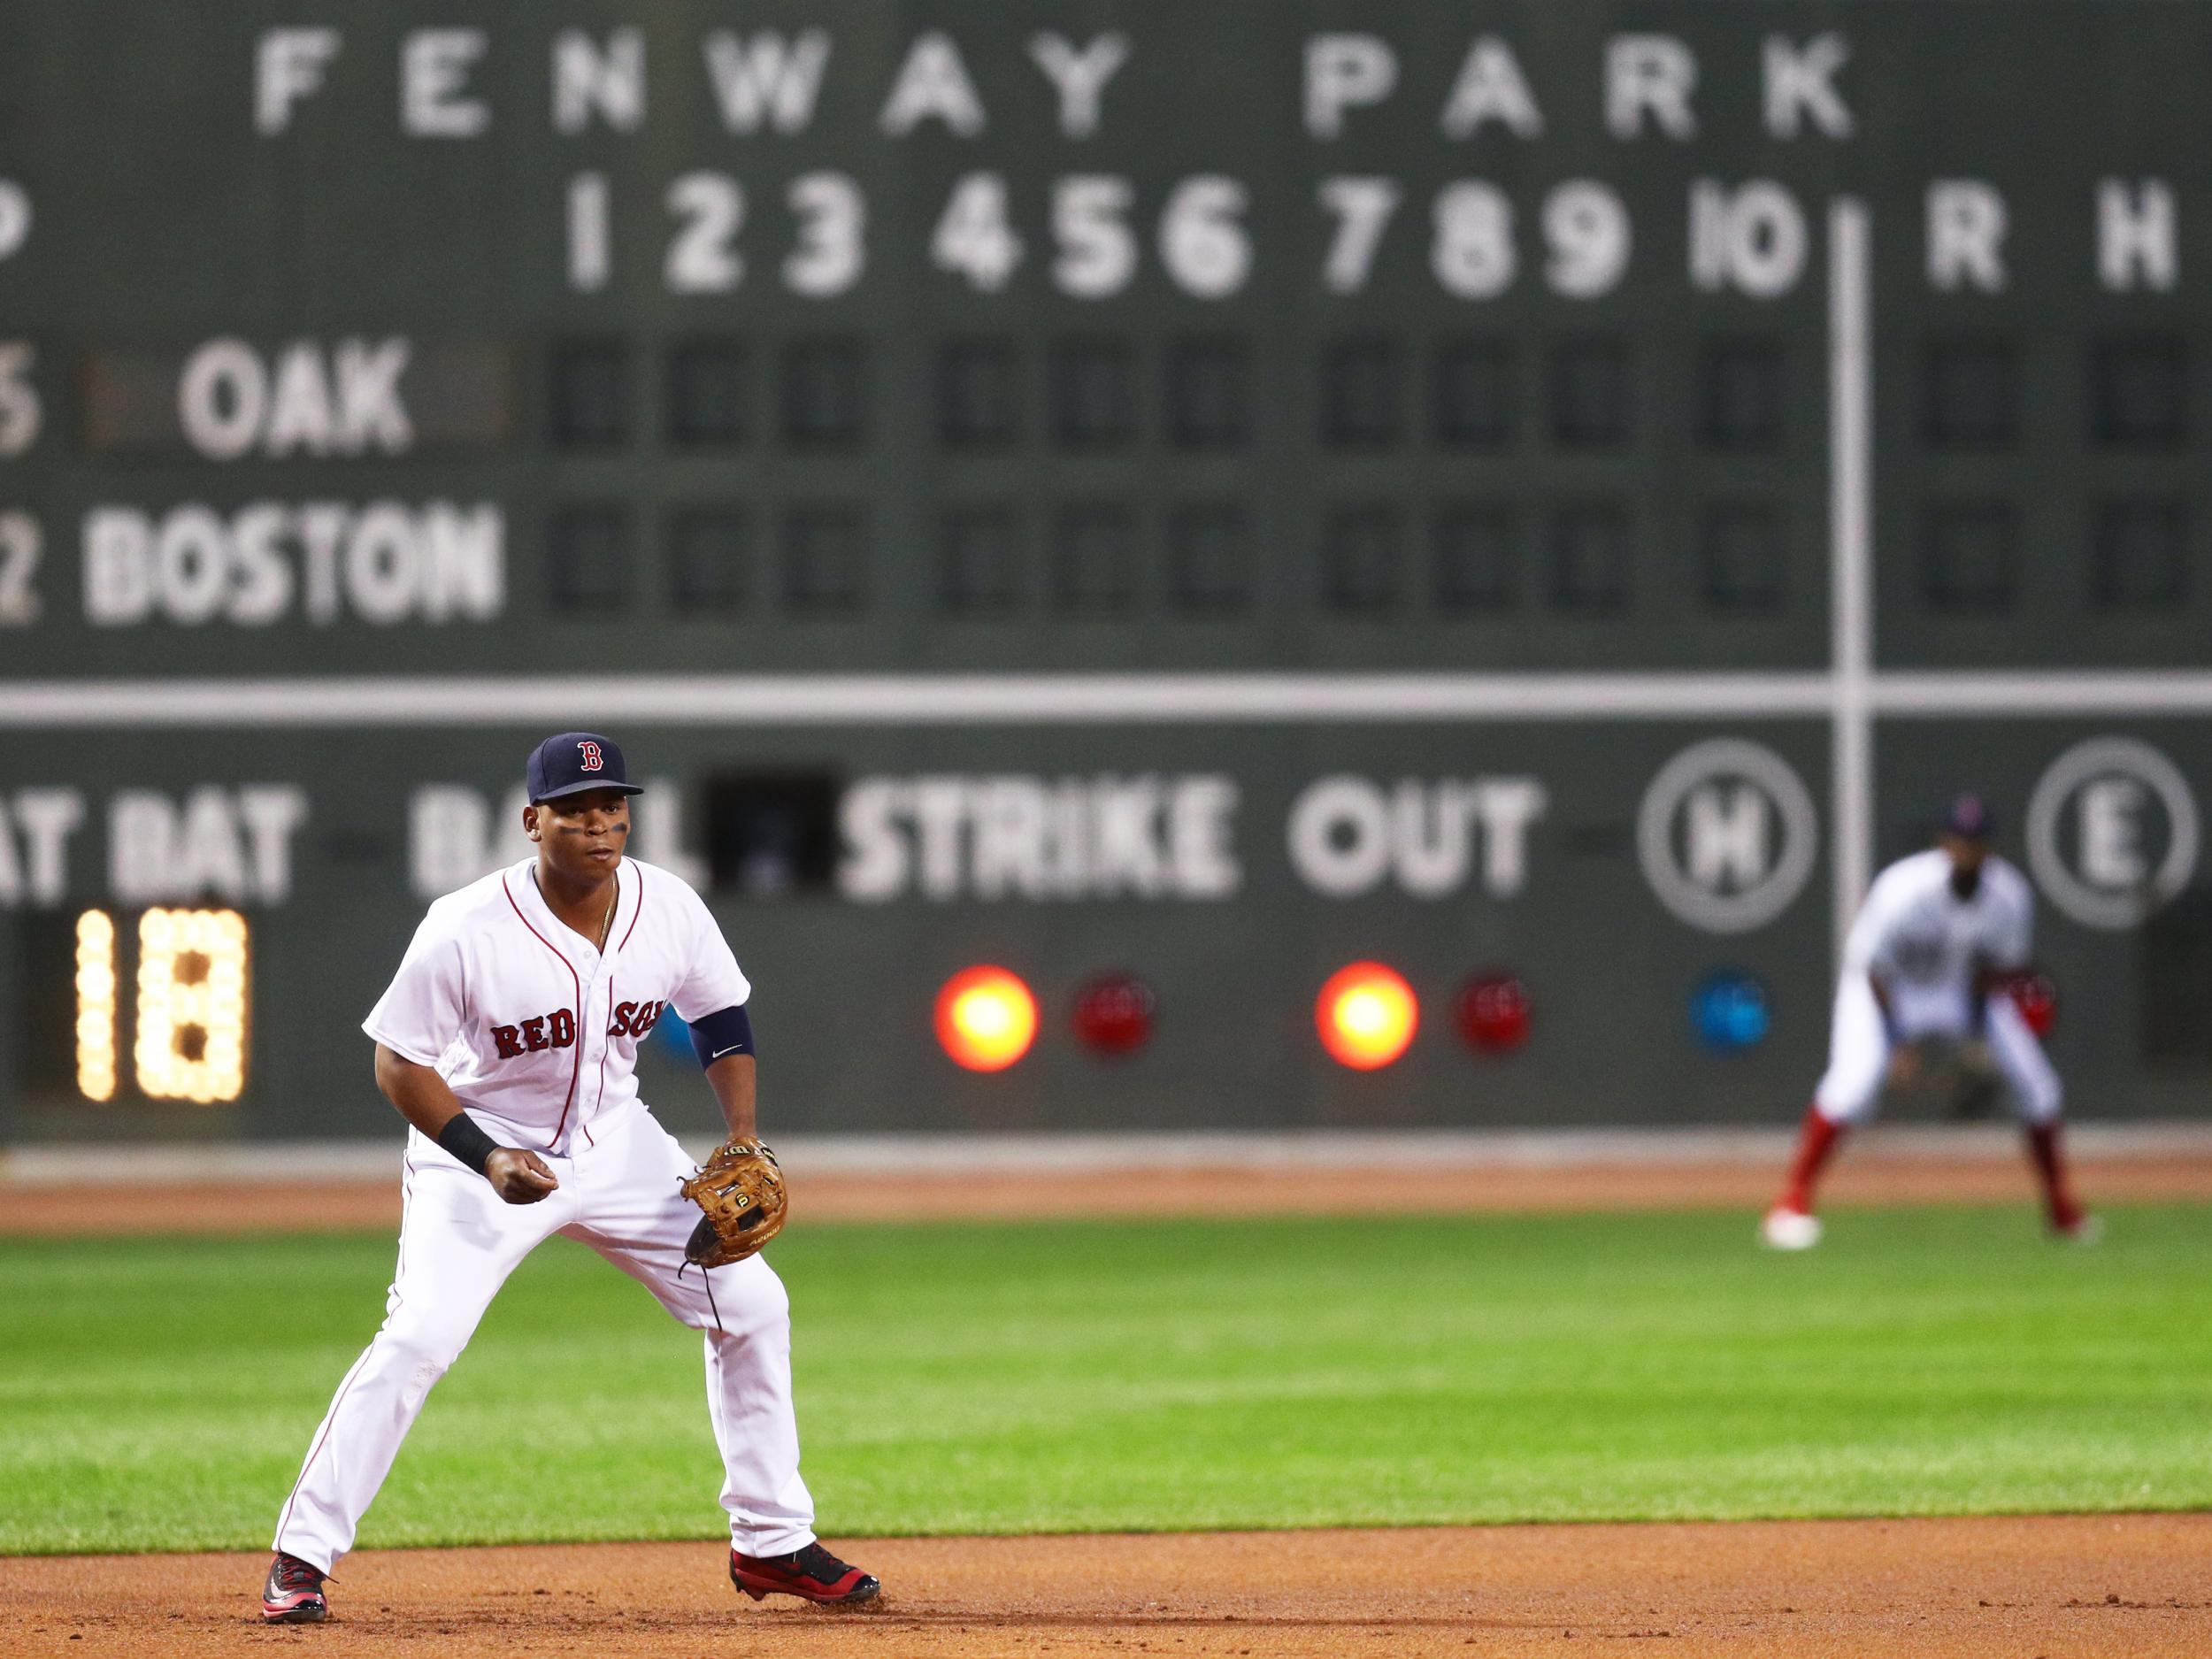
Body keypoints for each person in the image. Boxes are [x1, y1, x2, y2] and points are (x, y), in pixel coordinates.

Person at [261, 733, 877, 1622]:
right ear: (531, 820)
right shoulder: (465, 927)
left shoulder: (667, 907)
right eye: (578, 808)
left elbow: (721, 1019)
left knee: (752, 1306)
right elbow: (399, 1065)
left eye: (613, 806)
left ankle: (771, 1541)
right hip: (480, 1147)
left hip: (616, 1144)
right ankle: (301, 1557)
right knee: (420, 1337)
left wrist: (741, 1139)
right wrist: (485, 1156)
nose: (600, 823)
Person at [1761, 794, 2093, 1250]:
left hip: (1957, 991)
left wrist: (1976, 1037)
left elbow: (2000, 971)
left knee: (2037, 1085)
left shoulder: (2009, 896)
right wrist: (1898, 1042)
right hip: (1884, 991)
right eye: (1959, 839)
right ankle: (1791, 1203)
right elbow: (1872, 967)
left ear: (1989, 847)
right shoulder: (1904, 888)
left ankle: (2063, 1211)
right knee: (1854, 1084)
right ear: (1943, 842)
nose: (1966, 848)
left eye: (1976, 840)